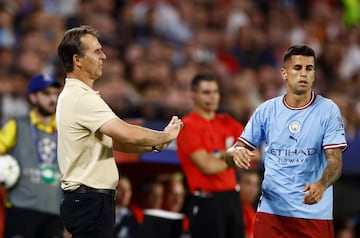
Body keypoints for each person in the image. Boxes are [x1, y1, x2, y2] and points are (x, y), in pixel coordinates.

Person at [56, 25, 183, 238]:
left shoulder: (77, 96)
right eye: (96, 51)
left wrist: (154, 145)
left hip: (90, 200)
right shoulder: (81, 98)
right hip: (89, 200)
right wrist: (165, 135)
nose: (103, 56)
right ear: (77, 60)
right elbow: (126, 132)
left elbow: (115, 142)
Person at [227, 45, 348, 238]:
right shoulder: (266, 110)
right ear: (284, 73)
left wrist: (322, 184)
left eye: (309, 69)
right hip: (271, 215)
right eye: (297, 68)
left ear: (315, 74)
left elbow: (335, 161)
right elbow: (235, 150)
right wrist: (235, 153)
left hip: (313, 215)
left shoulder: (328, 110)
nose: (304, 74)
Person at [176, 73, 251, 238]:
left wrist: (219, 155)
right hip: (206, 201)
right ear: (193, 95)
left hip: (232, 198)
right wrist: (233, 155)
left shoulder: (227, 121)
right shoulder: (187, 126)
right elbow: (207, 167)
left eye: (215, 92)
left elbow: (254, 152)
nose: (212, 97)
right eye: (206, 92)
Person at [0, 73, 63, 238]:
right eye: (46, 94)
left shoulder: (65, 131)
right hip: (21, 208)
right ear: (33, 97)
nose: (52, 99)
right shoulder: (17, 125)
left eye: (55, 94)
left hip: (54, 211)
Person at [238, 169, 261, 238]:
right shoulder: (229, 210)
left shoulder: (250, 212)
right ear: (238, 184)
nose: (252, 190)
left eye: (256, 185)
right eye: (248, 183)